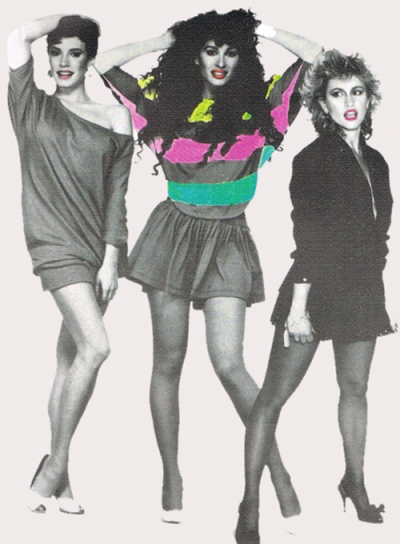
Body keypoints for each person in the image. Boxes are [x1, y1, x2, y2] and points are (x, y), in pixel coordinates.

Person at [95, 9, 322, 523]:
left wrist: (259, 29)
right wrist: (165, 38)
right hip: (172, 236)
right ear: (194, 56)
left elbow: (316, 57)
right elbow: (101, 65)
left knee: (229, 364)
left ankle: (278, 474)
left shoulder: (265, 109)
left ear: (243, 57)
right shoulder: (160, 104)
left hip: (229, 240)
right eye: (210, 49)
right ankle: (171, 477)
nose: (220, 60)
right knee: (168, 361)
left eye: (231, 50)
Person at [235, 49, 394, 543]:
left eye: (357, 92)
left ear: (369, 98)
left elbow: (378, 237)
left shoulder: (377, 161)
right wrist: (298, 310)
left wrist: (378, 293)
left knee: (356, 391)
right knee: (273, 398)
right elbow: (309, 236)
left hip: (361, 289)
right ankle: (250, 504)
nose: (349, 102)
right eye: (337, 94)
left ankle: (355, 484)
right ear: (322, 105)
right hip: (314, 288)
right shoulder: (312, 159)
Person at [8, 14, 133, 514]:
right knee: (97, 347)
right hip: (53, 243)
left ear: (89, 59)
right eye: (56, 51)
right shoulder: (30, 104)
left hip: (97, 251)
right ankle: (53, 467)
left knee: (69, 360)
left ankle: (63, 483)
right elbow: (18, 35)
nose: (63, 62)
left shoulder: (114, 116)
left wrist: (111, 257)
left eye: (75, 52)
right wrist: (63, 22)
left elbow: (117, 196)